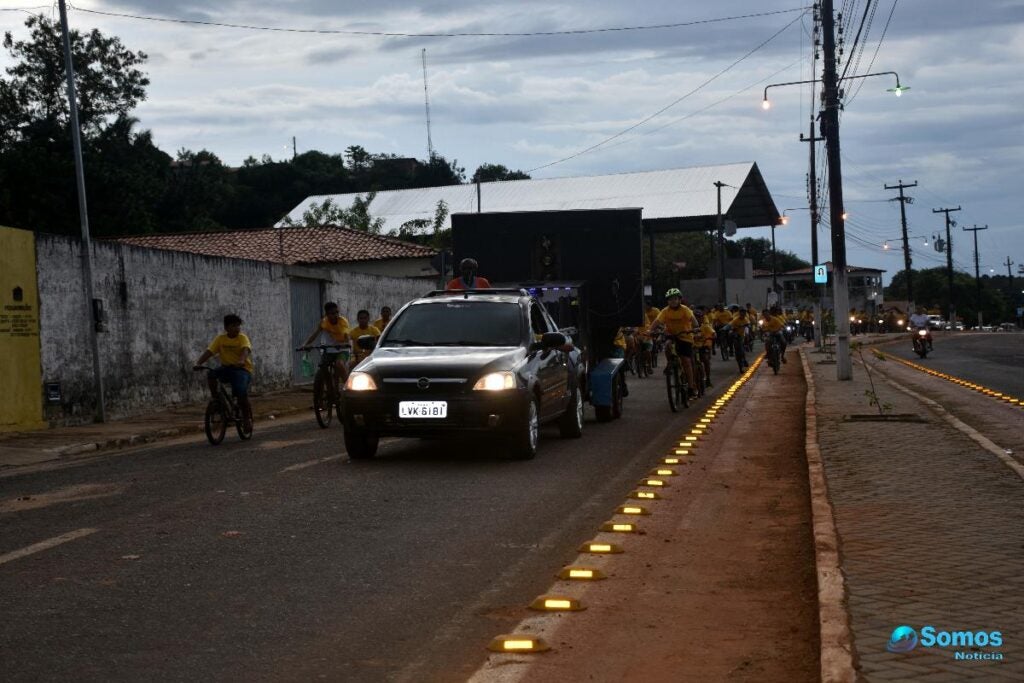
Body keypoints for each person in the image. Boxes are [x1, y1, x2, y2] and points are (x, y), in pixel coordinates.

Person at [194, 313, 254, 431]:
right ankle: (217, 401)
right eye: (233, 326)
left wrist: (241, 360)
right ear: (226, 328)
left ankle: (246, 419)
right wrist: (199, 363)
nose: (237, 329)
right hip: (226, 368)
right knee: (211, 374)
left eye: (238, 326)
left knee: (241, 393)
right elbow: (210, 351)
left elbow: (245, 350)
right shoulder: (220, 339)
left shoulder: (242, 338)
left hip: (242, 370)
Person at [650, 288, 698, 398]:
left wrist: (695, 328)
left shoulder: (685, 309)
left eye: (675, 299)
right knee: (667, 345)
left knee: (686, 361)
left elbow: (694, 321)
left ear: (680, 300)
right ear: (668, 301)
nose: (673, 301)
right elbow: (657, 321)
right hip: (671, 335)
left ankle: (691, 387)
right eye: (670, 300)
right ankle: (670, 362)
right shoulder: (665, 311)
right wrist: (650, 330)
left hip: (685, 337)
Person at [300, 301, 351, 391]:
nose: (335, 315)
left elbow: (347, 337)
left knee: (339, 364)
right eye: (332, 313)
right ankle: (329, 387)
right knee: (323, 366)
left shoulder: (343, 322)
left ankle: (349, 386)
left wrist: (344, 344)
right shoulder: (324, 322)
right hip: (329, 350)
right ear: (327, 314)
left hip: (342, 350)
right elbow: (315, 334)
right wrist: (305, 344)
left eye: (337, 312)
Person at [695, 308, 715, 388]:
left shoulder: (705, 326)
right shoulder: (689, 327)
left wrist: (711, 337)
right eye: (696, 317)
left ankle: (708, 379)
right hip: (693, 348)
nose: (697, 319)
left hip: (703, 347)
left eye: (699, 317)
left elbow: (713, 333)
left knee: (706, 361)